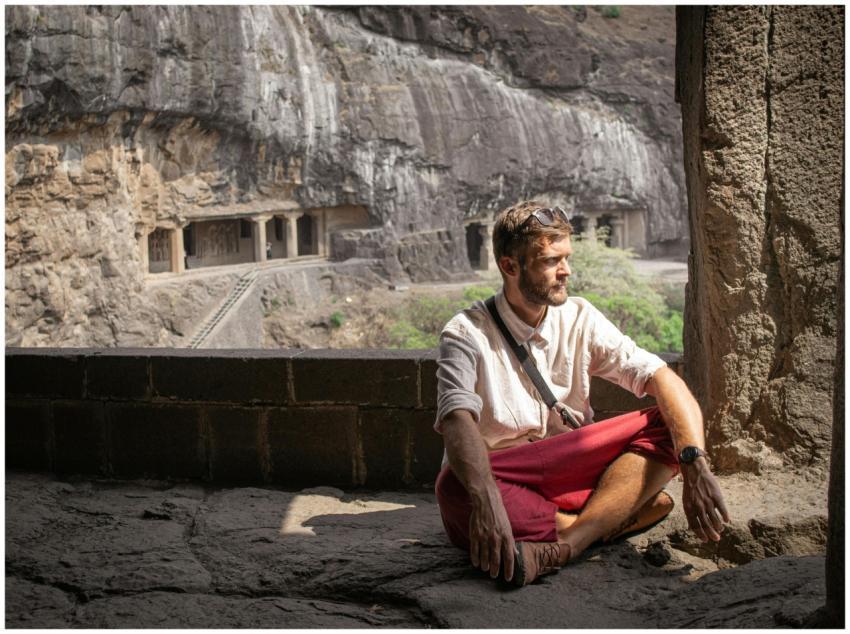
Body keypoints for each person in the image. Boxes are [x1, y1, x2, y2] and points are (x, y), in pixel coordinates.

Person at [434, 200, 729, 587]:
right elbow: (457, 418)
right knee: (456, 485)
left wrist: (695, 463)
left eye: (567, 258)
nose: (566, 271)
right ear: (510, 266)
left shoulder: (580, 317)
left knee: (668, 420)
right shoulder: (465, 332)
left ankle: (567, 543)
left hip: (570, 465)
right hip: (506, 474)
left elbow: (660, 376)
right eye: (551, 261)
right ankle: (609, 515)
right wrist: (487, 500)